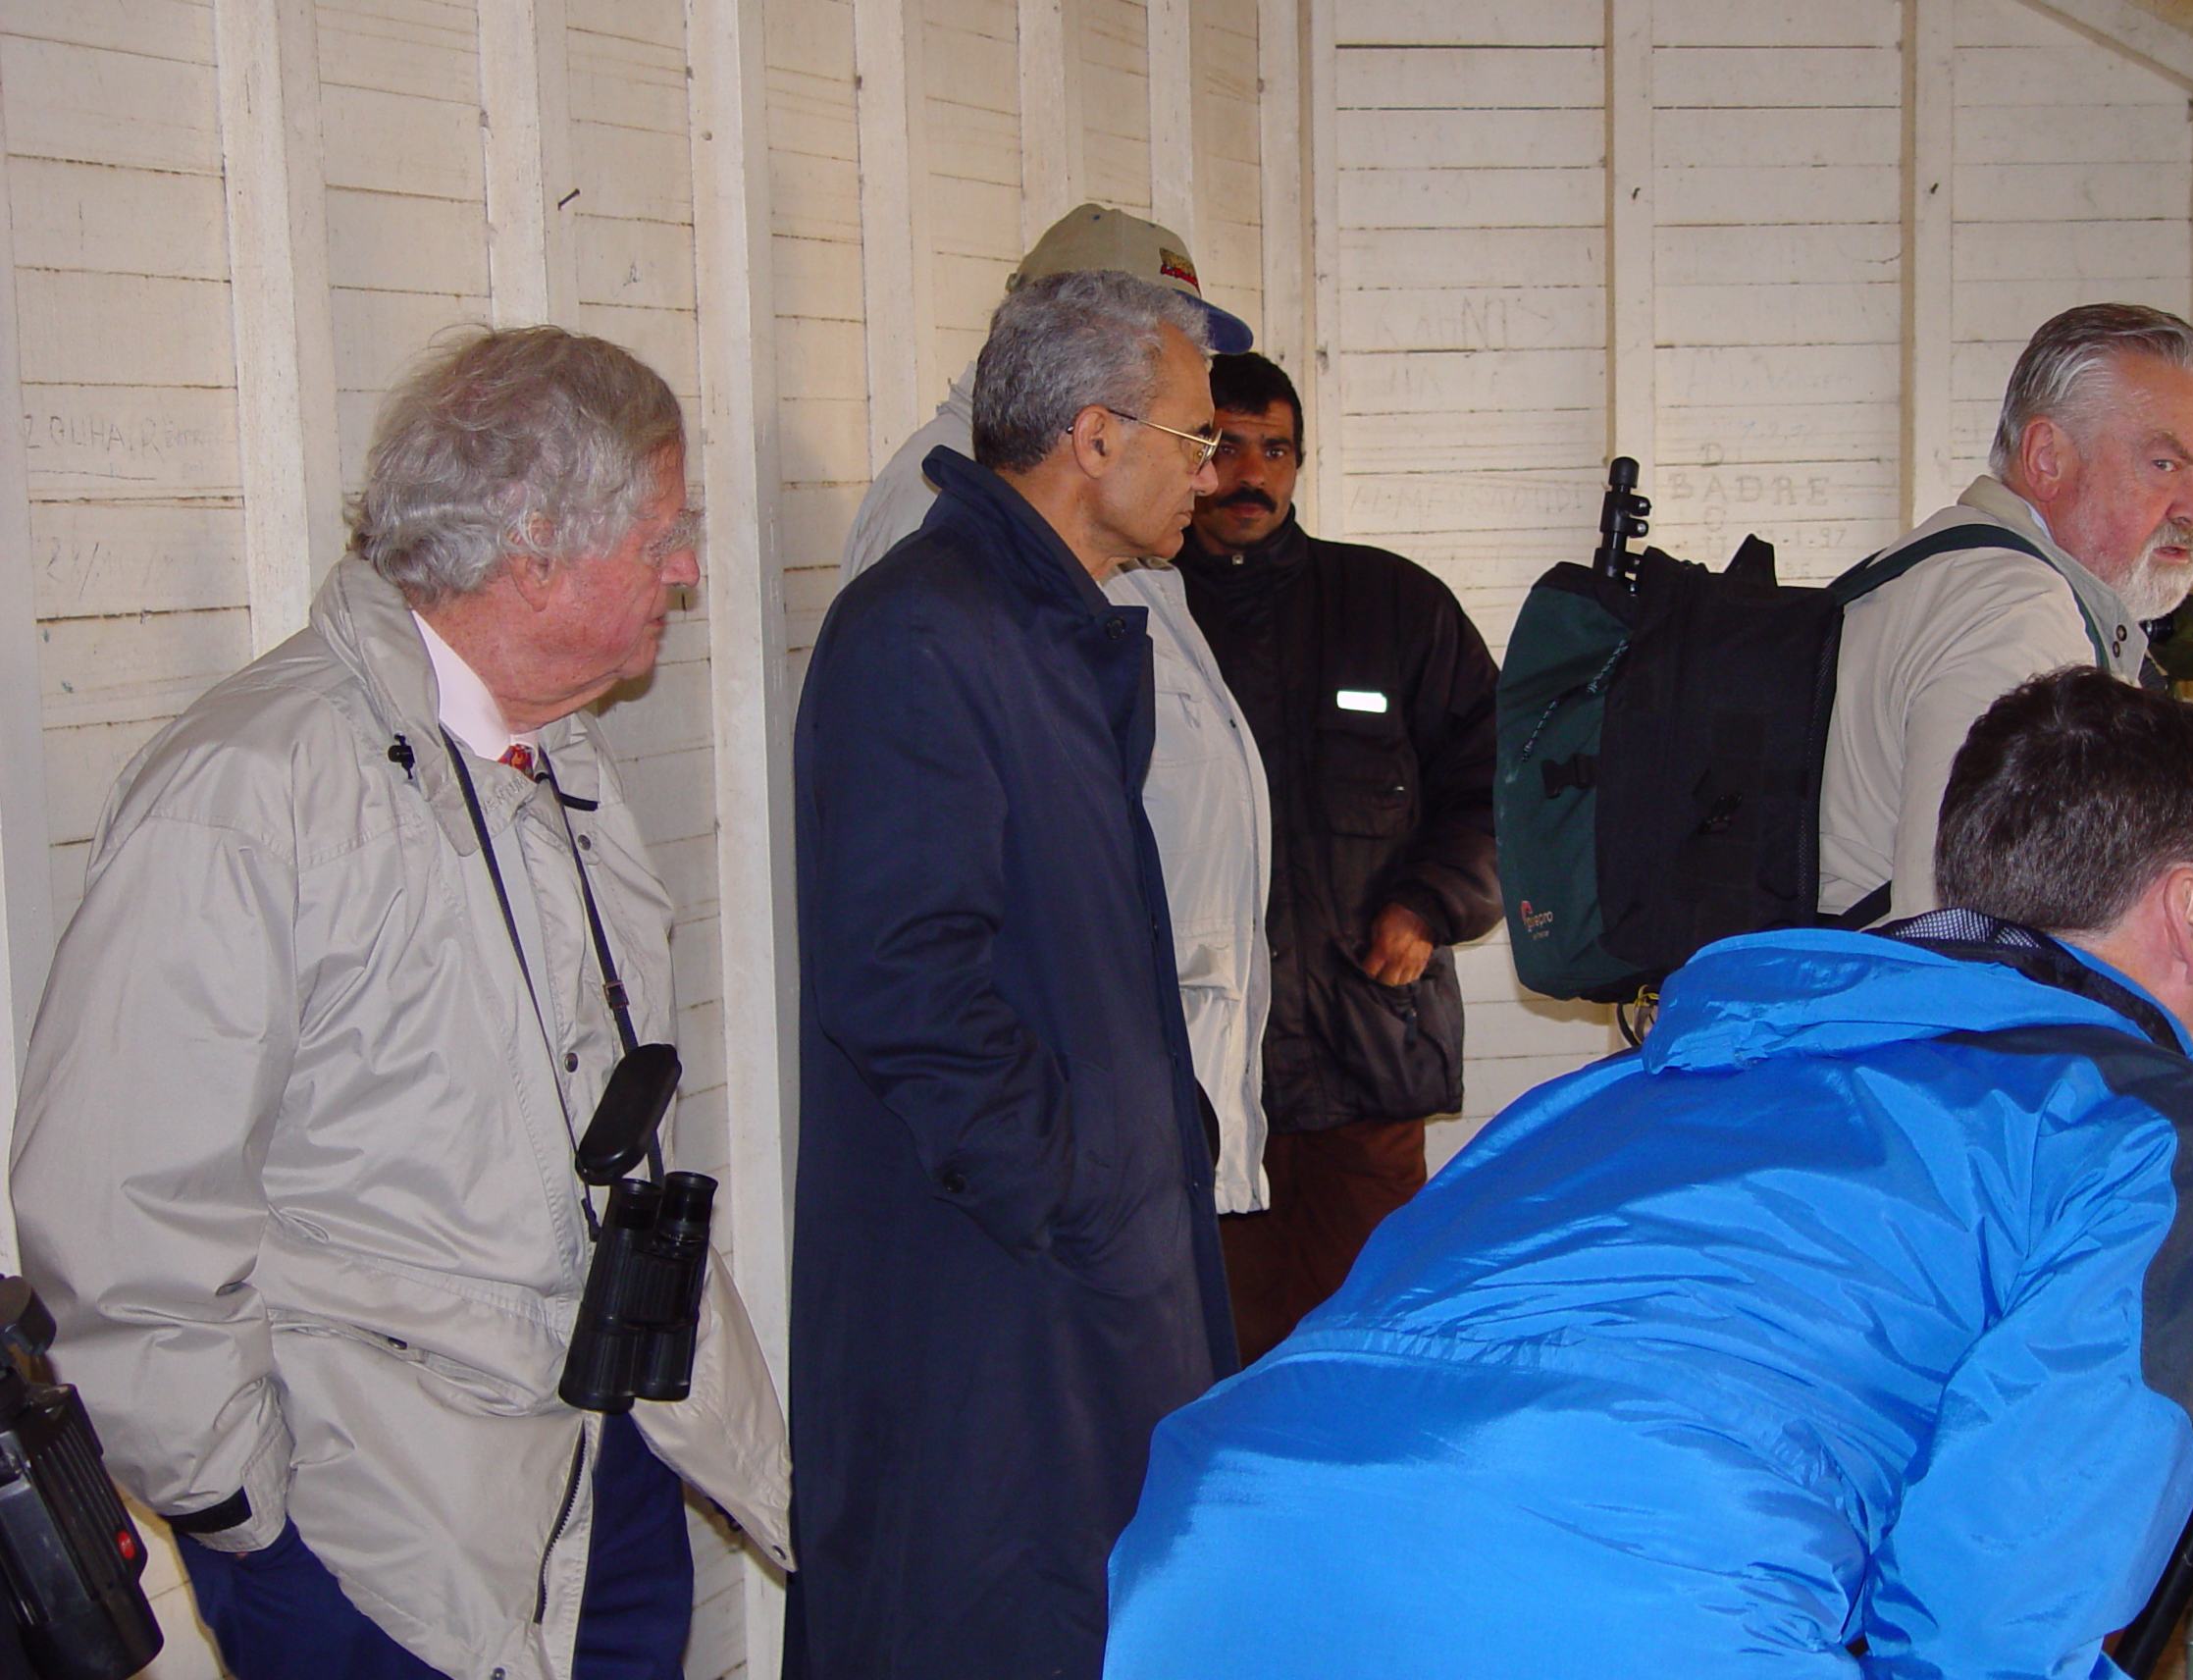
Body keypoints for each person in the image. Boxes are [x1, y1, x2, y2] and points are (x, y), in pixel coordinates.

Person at [1106, 667, 2193, 1680]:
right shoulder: (2174, 1135)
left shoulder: (1642, 1075)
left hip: (1213, 1554)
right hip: (1629, 1601)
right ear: (2186, 916)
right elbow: (1998, 1604)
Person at [9, 326, 792, 1680]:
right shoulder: (250, 793)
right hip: (376, 1541)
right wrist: (246, 1510)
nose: (687, 570)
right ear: (534, 540)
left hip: (604, 1473)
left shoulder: (553, 765)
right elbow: (119, 1206)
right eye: (662, 534)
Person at [789, 270, 1238, 1680]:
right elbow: (906, 978)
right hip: (996, 1294)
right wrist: (1068, 1185)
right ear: (1093, 438)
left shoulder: (1056, 621)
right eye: (1194, 436)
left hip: (1080, 1271)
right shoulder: (927, 629)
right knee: (989, 1618)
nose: (1213, 471)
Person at [838, 203, 1274, 1220]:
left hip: (1137, 1089)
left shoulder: (1110, 510)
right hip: (1071, 1129)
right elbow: (926, 954)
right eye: (1159, 327)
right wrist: (1070, 1171)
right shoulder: (943, 516)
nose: (1183, 359)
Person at [1172, 351, 1500, 1364]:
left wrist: (1428, 902)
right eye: (1224, 447)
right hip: (1206, 1088)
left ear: (1302, 463)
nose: (1250, 475)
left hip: (1367, 1063)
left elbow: (1496, 784)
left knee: (1376, 1350)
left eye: (1274, 450)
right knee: (1222, 1362)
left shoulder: (1395, 605)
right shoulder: (1140, 618)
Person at [1822, 301, 2193, 921]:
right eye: (2164, 465)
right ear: (2047, 458)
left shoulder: (1944, 560)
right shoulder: (2014, 614)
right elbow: (1971, 924)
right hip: (1904, 1013)